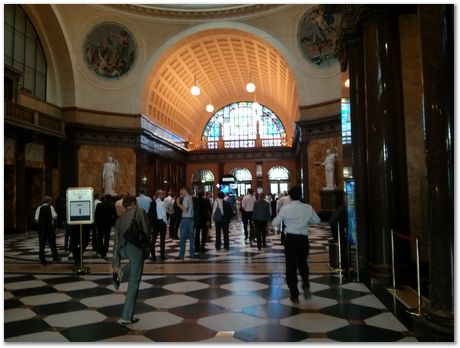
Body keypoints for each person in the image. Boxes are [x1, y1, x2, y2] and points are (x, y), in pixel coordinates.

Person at [272, 186, 321, 303]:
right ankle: (305, 284)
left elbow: (275, 222)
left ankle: (294, 294)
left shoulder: (286, 208)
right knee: (303, 263)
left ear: (290, 196)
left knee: (290, 266)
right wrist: (305, 220)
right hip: (303, 239)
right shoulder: (307, 208)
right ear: (300, 195)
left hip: (290, 240)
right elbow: (317, 221)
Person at [112, 195, 150, 325]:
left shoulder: (119, 219)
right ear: (134, 203)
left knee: (134, 265)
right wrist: (147, 247)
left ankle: (119, 276)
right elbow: (146, 231)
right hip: (136, 249)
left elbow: (116, 244)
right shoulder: (140, 212)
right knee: (134, 282)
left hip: (124, 249)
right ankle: (126, 316)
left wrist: (116, 265)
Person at [34, 196, 60, 265]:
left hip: (41, 229)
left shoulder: (39, 208)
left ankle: (42, 259)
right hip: (49, 229)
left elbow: (36, 219)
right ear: (49, 201)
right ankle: (55, 258)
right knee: (52, 244)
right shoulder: (50, 207)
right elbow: (55, 216)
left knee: (42, 244)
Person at [177, 188, 195, 259]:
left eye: (181, 193)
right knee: (191, 238)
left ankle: (181, 255)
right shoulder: (190, 198)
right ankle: (192, 254)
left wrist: (178, 204)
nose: (181, 195)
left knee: (183, 238)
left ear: (184, 192)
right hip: (191, 219)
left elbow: (185, 209)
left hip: (185, 220)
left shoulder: (186, 199)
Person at [149, 190, 168, 261]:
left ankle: (153, 256)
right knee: (162, 240)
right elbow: (164, 214)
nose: (163, 196)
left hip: (155, 223)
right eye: (162, 195)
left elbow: (150, 214)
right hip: (161, 222)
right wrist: (165, 222)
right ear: (159, 195)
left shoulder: (152, 203)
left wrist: (151, 224)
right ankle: (162, 256)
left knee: (153, 239)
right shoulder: (162, 203)